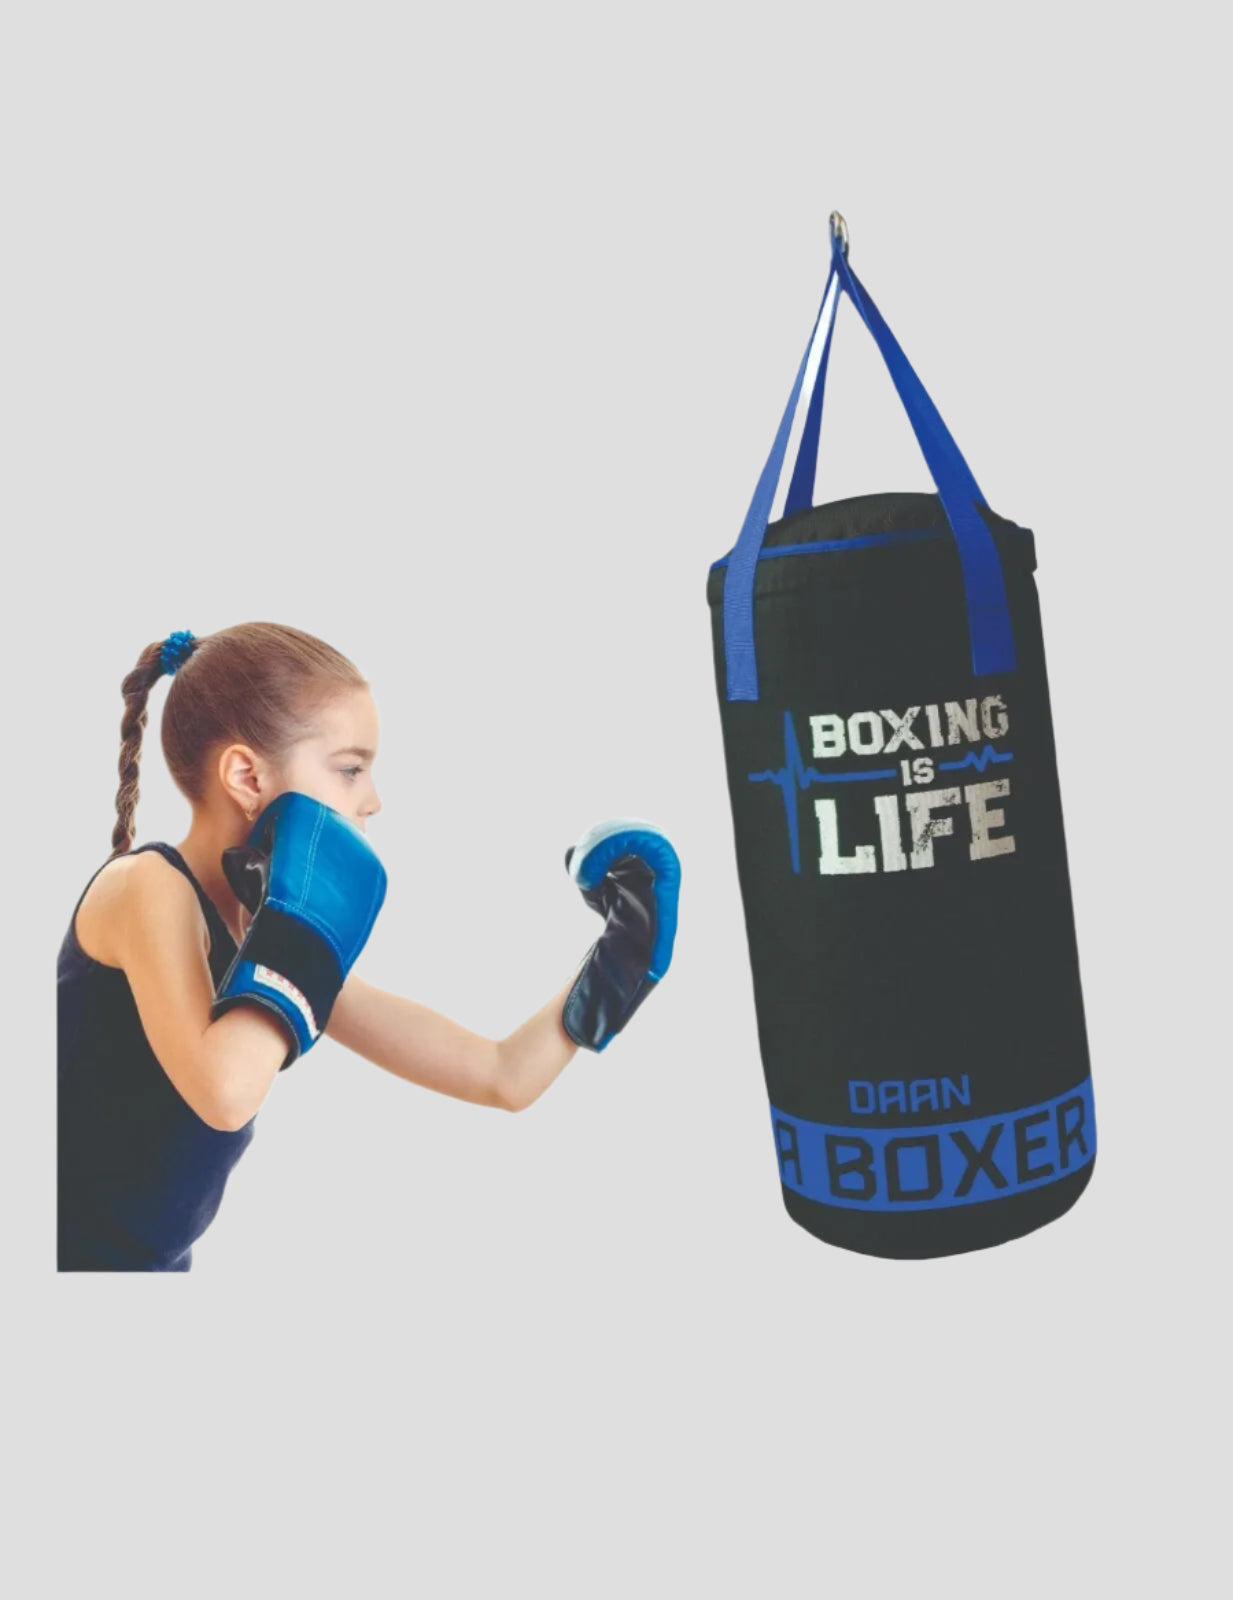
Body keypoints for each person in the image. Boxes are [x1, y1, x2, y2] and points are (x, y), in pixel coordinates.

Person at [57, 622, 680, 1271]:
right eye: (350, 769)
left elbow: (500, 1075)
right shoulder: (147, 887)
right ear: (246, 776)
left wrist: (616, 961)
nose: (373, 800)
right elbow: (224, 1092)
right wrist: (300, 925)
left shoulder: (256, 931)